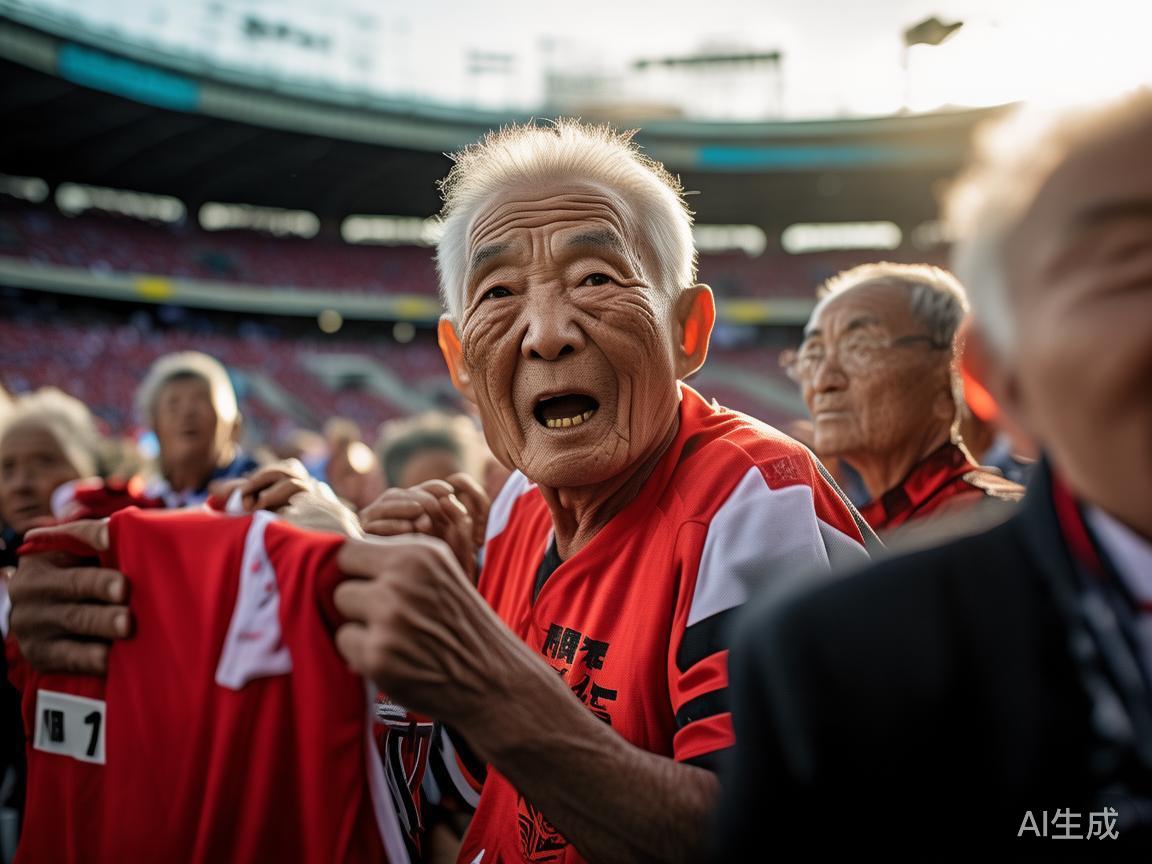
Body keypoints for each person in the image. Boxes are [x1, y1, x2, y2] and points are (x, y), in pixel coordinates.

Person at [345, 119, 874, 863]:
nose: (547, 333)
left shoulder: (753, 498)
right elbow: (481, 789)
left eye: (595, 278)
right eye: (499, 291)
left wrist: (484, 680)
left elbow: (771, 833)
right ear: (459, 361)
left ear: (687, 330)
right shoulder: (516, 509)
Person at [716, 91, 1152, 852]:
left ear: (956, 376)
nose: (820, 377)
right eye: (810, 351)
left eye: (857, 342)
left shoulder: (981, 510)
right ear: (1003, 381)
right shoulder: (828, 643)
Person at [786, 262, 1023, 535]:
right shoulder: (844, 531)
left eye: (859, 348)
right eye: (813, 354)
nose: (822, 381)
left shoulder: (997, 527)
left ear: (949, 376)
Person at [134, 351, 259, 507]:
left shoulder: (259, 495)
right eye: (173, 404)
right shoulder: (139, 499)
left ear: (235, 426)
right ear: (153, 425)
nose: (187, 412)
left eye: (201, 400)